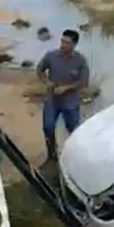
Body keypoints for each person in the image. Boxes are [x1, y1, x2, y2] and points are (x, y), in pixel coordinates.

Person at [36, 29, 90, 160]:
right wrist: (47, 82)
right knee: (48, 128)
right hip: (52, 100)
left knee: (74, 131)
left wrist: (67, 88)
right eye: (62, 41)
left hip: (70, 102)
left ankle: (75, 156)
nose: (63, 45)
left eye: (66, 43)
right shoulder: (51, 56)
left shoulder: (80, 60)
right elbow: (40, 70)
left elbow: (83, 82)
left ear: (74, 44)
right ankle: (52, 155)